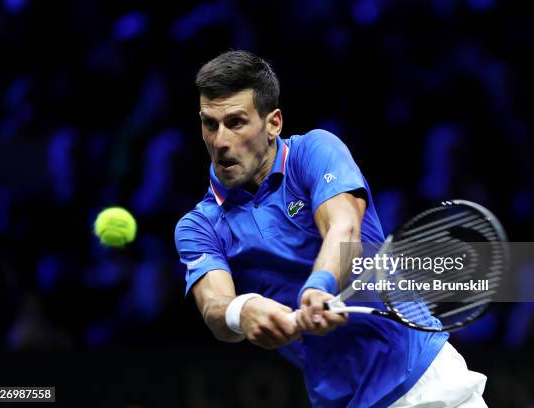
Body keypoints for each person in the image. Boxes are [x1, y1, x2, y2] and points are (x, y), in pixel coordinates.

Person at [175, 50, 487, 407]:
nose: (220, 141)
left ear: (273, 123)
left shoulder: (314, 151)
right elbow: (215, 306)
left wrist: (319, 286)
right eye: (209, 124)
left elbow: (344, 228)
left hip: (425, 383)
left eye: (236, 122)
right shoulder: (199, 226)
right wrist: (241, 311)